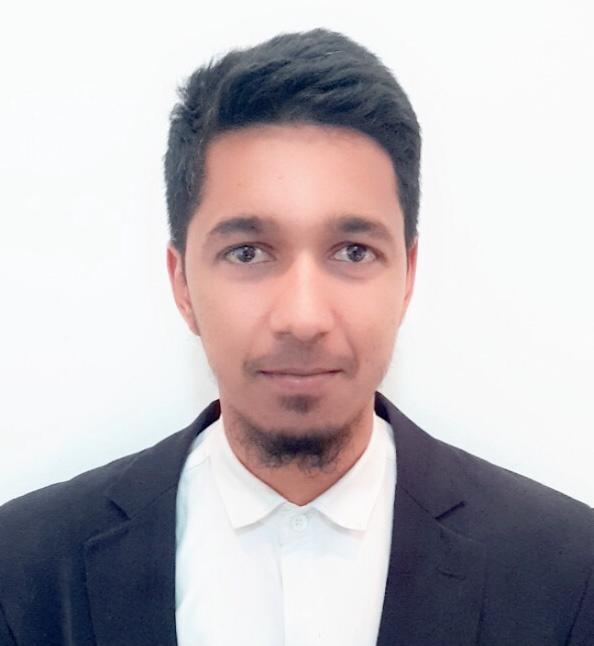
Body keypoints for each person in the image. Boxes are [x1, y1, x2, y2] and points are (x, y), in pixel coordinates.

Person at [0, 27, 592, 646]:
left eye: (353, 251)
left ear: (408, 276)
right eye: (248, 252)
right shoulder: (25, 571)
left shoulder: (568, 575)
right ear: (182, 283)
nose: (303, 318)